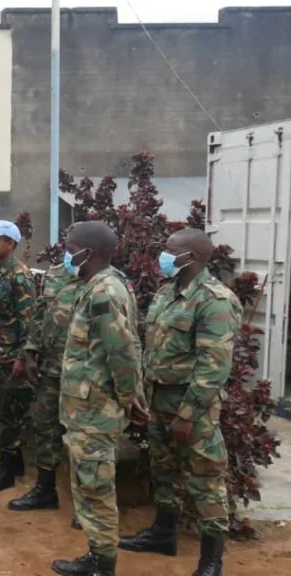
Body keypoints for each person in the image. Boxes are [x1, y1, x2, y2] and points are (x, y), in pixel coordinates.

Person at [119, 228, 240, 576]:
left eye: (171, 251)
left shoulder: (214, 299)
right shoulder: (166, 293)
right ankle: (163, 534)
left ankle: (211, 561)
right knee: (164, 470)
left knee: (206, 480)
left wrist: (187, 416)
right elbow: (151, 348)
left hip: (193, 409)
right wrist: (140, 393)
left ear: (194, 258)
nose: (164, 256)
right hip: (159, 401)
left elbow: (214, 366)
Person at [51, 221, 149, 576]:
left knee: (95, 487)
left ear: (86, 253)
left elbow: (121, 350)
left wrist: (128, 397)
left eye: (69, 245)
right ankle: (97, 555)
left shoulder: (105, 291)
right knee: (88, 484)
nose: (65, 251)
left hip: (95, 411)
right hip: (86, 408)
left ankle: (103, 564)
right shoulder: (103, 284)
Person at [9, 263, 82, 515]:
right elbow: (39, 316)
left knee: (82, 437)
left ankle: (86, 506)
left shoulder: (105, 280)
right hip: (50, 369)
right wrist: (29, 353)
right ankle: (45, 489)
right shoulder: (55, 273)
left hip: (83, 375)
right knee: (44, 427)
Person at [0, 220, 36, 493]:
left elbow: (29, 320)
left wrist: (23, 358)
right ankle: (12, 463)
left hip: (11, 356)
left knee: (9, 414)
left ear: (11, 244)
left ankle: (7, 470)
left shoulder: (19, 275)